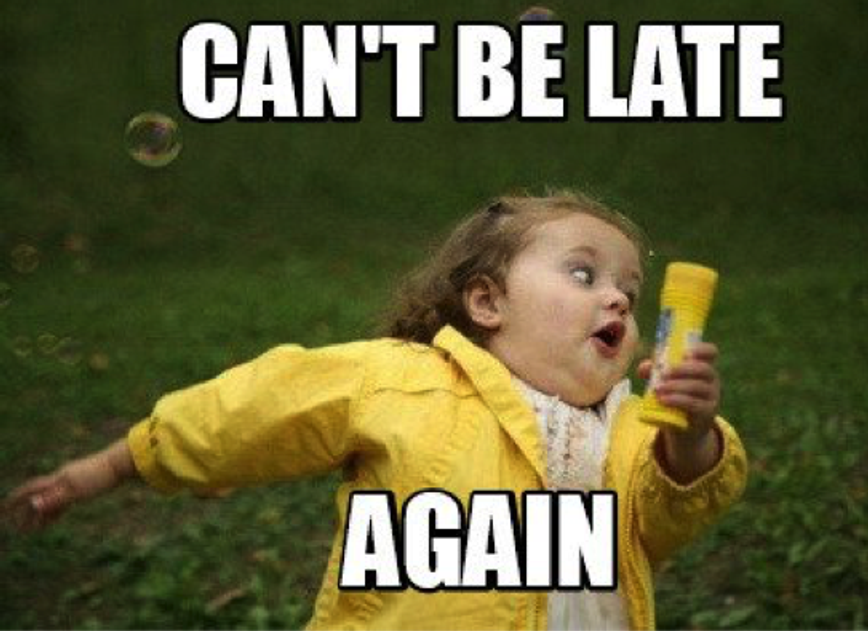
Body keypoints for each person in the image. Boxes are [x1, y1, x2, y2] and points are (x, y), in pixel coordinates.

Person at [3, 189, 747, 630]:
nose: (615, 297)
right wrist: (108, 468)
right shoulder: (399, 380)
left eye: (629, 292)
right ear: (486, 301)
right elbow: (248, 414)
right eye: (584, 274)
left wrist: (691, 438)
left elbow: (664, 519)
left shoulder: (631, 428)